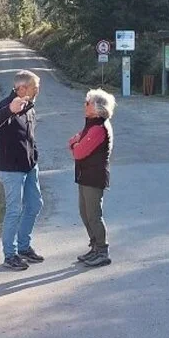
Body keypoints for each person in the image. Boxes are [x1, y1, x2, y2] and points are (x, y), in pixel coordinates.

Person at [0, 70, 44, 270]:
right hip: (11, 170)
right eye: (36, 87)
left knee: (35, 205)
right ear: (22, 88)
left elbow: (30, 137)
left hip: (29, 167)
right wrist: (10, 109)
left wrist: (34, 158)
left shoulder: (30, 106)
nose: (38, 90)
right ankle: (10, 254)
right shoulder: (7, 104)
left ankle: (24, 247)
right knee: (14, 211)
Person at [69, 89, 115, 268]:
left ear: (96, 108)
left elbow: (78, 152)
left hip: (93, 176)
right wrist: (76, 143)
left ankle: (102, 251)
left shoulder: (98, 128)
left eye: (87, 102)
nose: (84, 105)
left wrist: (76, 144)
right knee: (84, 213)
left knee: (93, 215)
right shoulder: (91, 124)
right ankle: (95, 246)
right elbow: (72, 141)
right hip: (85, 175)